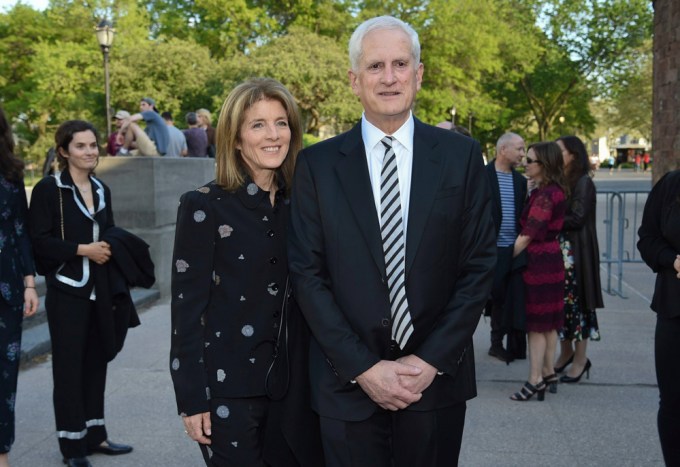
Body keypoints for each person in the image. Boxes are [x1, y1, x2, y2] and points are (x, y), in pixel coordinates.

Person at [287, 16, 496, 466]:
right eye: (375, 66)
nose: (388, 77)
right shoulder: (316, 166)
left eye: (400, 64)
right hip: (346, 386)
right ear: (353, 80)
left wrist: (430, 361)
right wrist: (363, 367)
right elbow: (307, 274)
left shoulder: (461, 158)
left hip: (435, 383)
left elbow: (478, 265)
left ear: (418, 74)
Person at [170, 78, 323, 467]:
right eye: (258, 125)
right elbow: (186, 312)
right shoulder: (204, 206)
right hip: (228, 390)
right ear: (235, 139)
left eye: (281, 122)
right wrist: (191, 399)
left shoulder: (305, 203)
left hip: (298, 388)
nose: (273, 135)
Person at [29, 120, 150, 467]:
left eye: (94, 145)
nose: (90, 152)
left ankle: (96, 435)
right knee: (68, 369)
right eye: (81, 146)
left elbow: (107, 230)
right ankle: (72, 447)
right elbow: (40, 241)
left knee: (97, 362)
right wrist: (83, 250)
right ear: (64, 151)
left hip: (100, 289)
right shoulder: (48, 189)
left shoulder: (100, 188)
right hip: (67, 291)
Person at [510, 141, 567, 401]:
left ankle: (535, 380)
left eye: (530, 160)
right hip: (551, 259)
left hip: (539, 263)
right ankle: (547, 372)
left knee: (536, 326)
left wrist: (501, 259)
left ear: (543, 165)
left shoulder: (545, 195)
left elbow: (527, 234)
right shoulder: (550, 190)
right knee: (549, 324)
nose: (525, 163)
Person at [0, 106, 39, 467]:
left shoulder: (10, 171)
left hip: (7, 289)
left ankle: (2, 453)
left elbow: (20, 232)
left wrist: (30, 283)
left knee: (4, 378)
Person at [637, 169, 680, 467]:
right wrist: (673, 259)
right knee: (673, 402)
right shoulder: (671, 185)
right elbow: (647, 239)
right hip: (673, 308)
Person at [553, 136, 603, 385]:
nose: (556, 153)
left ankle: (581, 359)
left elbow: (578, 217)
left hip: (577, 254)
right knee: (562, 307)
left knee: (580, 306)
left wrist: (548, 219)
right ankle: (566, 353)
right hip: (562, 253)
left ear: (573, 154)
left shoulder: (583, 182)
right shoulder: (560, 179)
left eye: (560, 150)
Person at [485, 133, 527, 363]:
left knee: (505, 300)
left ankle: (497, 343)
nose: (523, 154)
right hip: (487, 250)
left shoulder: (520, 182)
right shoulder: (482, 176)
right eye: (519, 149)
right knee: (481, 298)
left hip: (513, 250)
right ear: (503, 150)